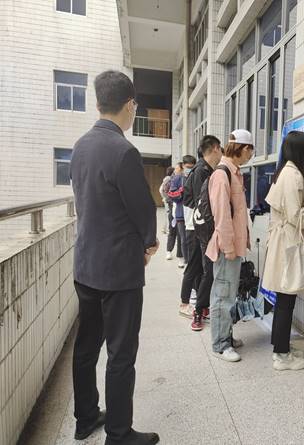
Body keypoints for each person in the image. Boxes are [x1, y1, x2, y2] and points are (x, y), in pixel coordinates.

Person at [70, 70, 160, 445]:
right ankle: (119, 434)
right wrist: (149, 244)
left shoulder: (80, 146)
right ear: (130, 105)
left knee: (86, 347)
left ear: (97, 103)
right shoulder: (124, 151)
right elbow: (143, 208)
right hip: (119, 270)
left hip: (85, 264)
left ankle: (85, 417)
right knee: (121, 353)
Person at [263, 131, 304, 371]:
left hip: (283, 241)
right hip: (289, 243)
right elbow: (296, 215)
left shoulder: (284, 172)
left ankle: (281, 345)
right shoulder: (293, 175)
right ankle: (281, 355)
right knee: (286, 299)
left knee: (284, 298)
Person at [206, 129, 254, 362]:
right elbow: (222, 216)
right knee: (222, 295)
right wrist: (229, 247)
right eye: (250, 151)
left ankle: (225, 335)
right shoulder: (222, 174)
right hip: (227, 247)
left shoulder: (233, 172)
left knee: (228, 293)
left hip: (233, 245)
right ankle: (220, 344)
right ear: (243, 149)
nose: (250, 156)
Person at [180, 135, 223, 325]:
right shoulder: (201, 171)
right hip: (197, 228)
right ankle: (187, 304)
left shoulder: (205, 169)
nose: (221, 153)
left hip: (199, 227)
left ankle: (200, 305)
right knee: (197, 267)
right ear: (215, 148)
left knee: (200, 267)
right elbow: (202, 203)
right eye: (220, 149)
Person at [169, 157, 197, 267]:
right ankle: (186, 261)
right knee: (183, 239)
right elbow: (171, 195)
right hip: (181, 214)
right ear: (183, 166)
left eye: (192, 167)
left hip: (193, 214)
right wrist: (181, 191)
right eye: (187, 167)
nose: (189, 169)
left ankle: (191, 262)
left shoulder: (195, 176)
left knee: (192, 240)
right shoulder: (177, 179)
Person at [166, 163, 184, 263]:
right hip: (173, 209)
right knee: (172, 231)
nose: (175, 170)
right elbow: (168, 193)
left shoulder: (183, 179)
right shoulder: (172, 179)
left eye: (176, 168)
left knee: (180, 235)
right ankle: (168, 251)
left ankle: (180, 256)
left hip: (180, 211)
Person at [159, 167, 174, 234]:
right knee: (169, 214)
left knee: (167, 213)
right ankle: (167, 229)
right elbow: (161, 190)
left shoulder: (166, 179)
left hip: (166, 199)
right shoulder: (168, 179)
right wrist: (166, 197)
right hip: (168, 199)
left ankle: (164, 228)